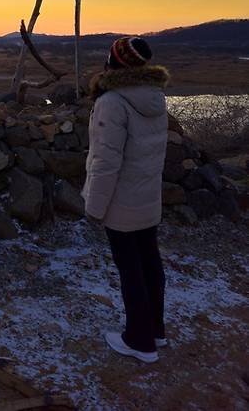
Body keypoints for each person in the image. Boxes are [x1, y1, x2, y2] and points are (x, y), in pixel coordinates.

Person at [82, 36, 170, 364]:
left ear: (115, 62)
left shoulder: (112, 102)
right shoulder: (155, 97)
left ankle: (139, 340)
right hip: (147, 198)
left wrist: (94, 206)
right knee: (149, 263)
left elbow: (106, 162)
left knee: (130, 269)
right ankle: (156, 331)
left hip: (121, 204)